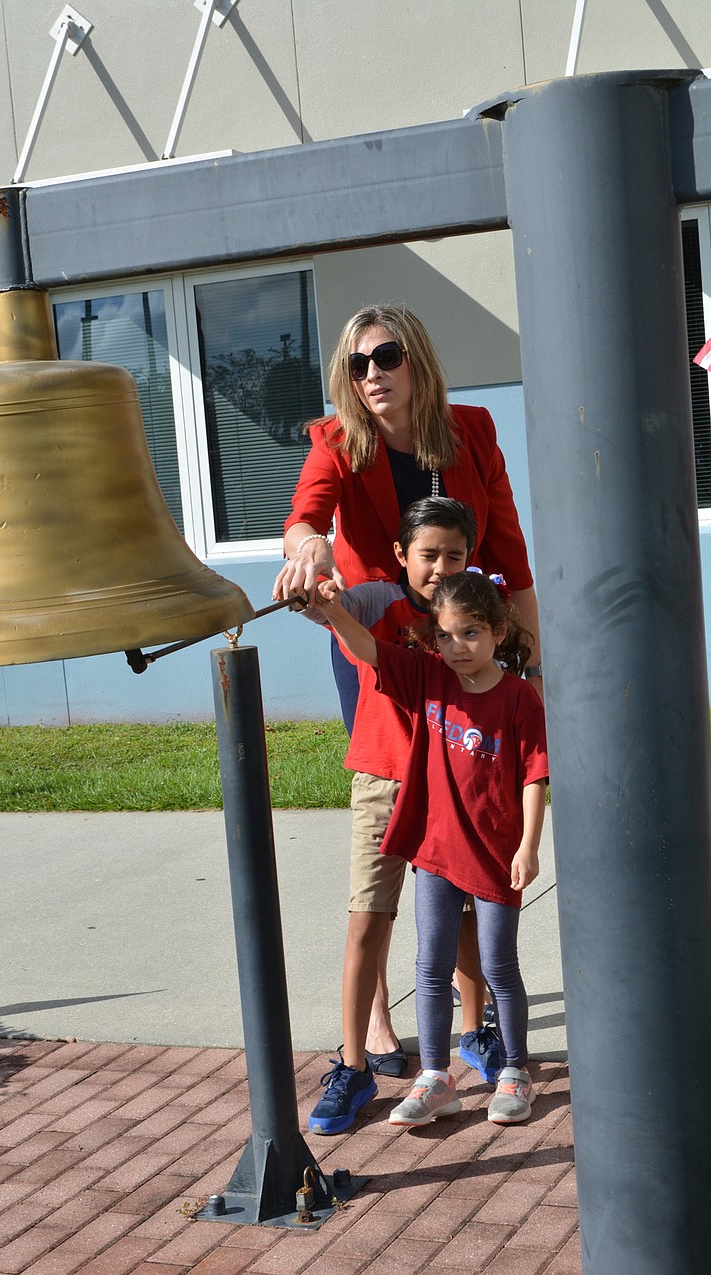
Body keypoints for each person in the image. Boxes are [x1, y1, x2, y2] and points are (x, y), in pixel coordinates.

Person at [272, 304, 542, 1091]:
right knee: (390, 831)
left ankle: (470, 1025)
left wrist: (529, 664)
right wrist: (309, 547)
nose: (372, 375)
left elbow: (509, 552)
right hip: (382, 663)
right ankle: (375, 1026)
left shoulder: (474, 431)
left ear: (417, 359)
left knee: (461, 835)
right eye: (357, 365)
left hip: (463, 655)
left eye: (386, 356)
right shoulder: (336, 443)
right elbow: (305, 519)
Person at [297, 497, 507, 1135]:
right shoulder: (374, 601)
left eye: (454, 554)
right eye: (428, 554)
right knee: (369, 919)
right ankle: (354, 1065)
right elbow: (329, 609)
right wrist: (317, 584)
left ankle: (474, 1033)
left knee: (465, 914)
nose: (441, 567)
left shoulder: (473, 613)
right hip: (384, 779)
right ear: (400, 556)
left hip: (455, 781)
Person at [316, 569, 548, 1127]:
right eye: (444, 635)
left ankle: (515, 1072)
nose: (456, 647)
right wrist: (332, 609)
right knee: (430, 966)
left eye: (470, 633)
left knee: (499, 967)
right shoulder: (428, 679)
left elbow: (535, 778)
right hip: (435, 852)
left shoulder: (519, 697)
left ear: (496, 631)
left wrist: (528, 847)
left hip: (495, 856)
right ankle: (436, 1078)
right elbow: (368, 649)